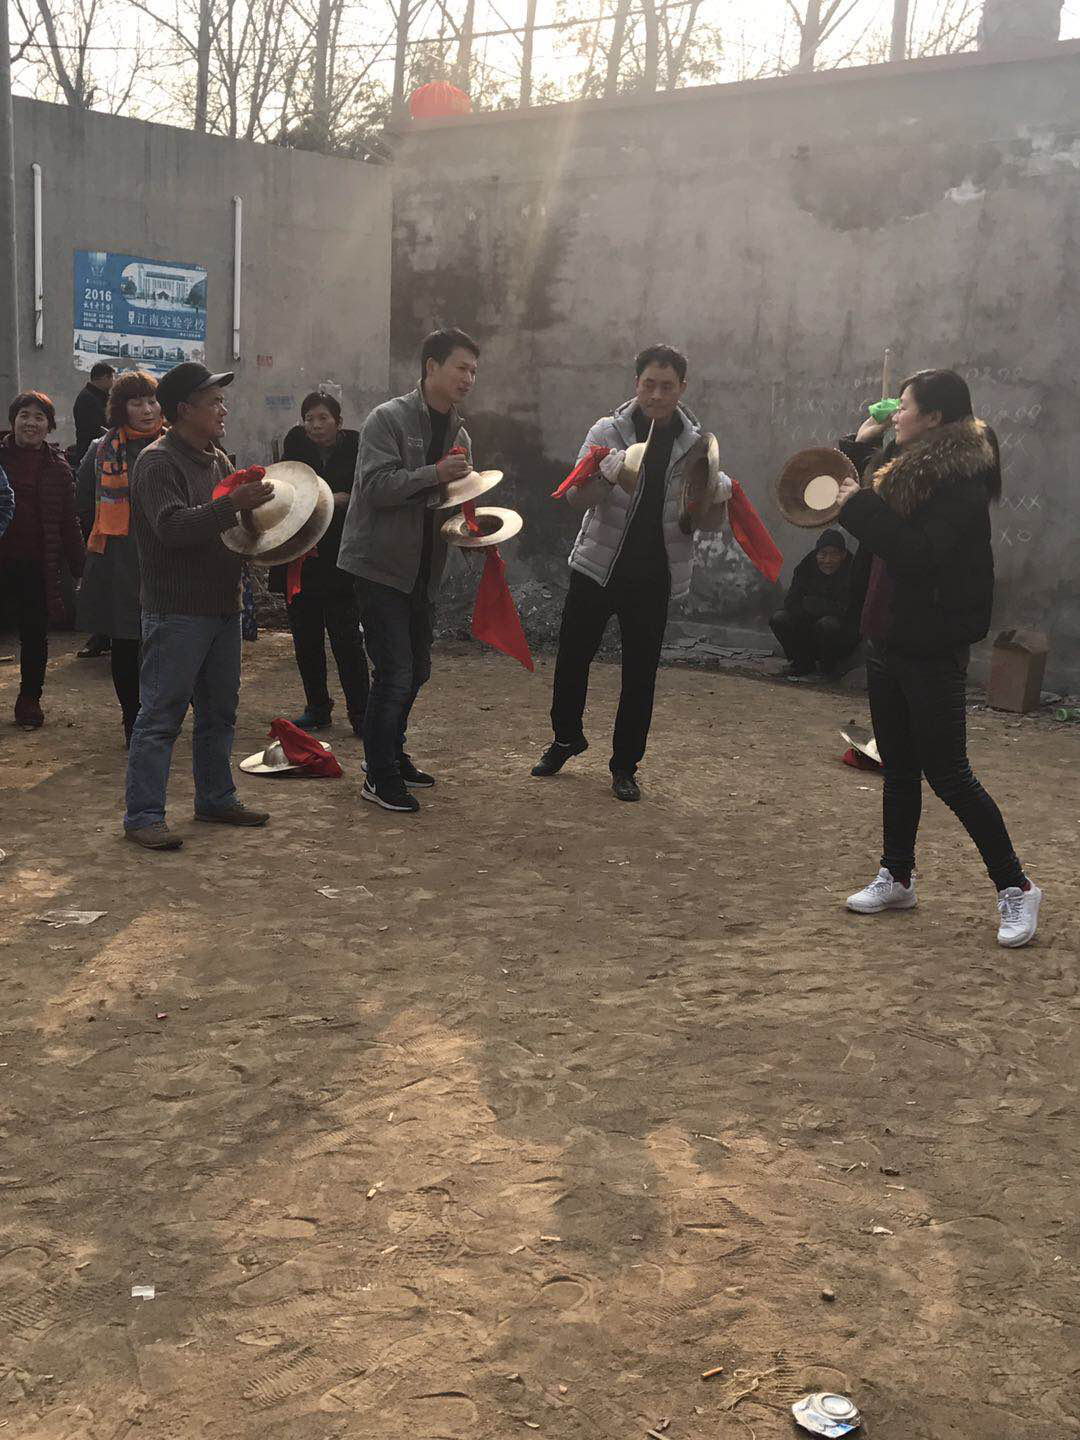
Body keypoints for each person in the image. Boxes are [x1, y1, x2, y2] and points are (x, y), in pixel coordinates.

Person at [835, 368, 1042, 948]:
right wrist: (860, 442)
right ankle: (897, 876)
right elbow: (863, 487)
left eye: (904, 406)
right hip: (888, 635)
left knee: (949, 774)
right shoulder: (906, 465)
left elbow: (916, 552)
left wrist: (859, 507)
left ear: (934, 418)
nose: (895, 413)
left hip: (930, 643)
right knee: (899, 769)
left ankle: (1016, 886)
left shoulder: (959, 481)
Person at [531, 344, 730, 802]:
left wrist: (717, 497)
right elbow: (575, 498)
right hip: (596, 567)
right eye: (649, 385)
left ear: (682, 388)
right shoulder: (607, 430)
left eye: (667, 387)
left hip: (654, 575)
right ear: (636, 383)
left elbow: (706, 522)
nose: (656, 395)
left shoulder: (697, 446)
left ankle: (625, 766)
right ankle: (566, 738)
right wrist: (604, 476)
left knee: (640, 675)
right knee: (572, 659)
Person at [123, 362, 275, 851]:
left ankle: (216, 797)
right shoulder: (157, 462)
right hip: (177, 611)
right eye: (214, 402)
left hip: (221, 606)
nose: (223, 410)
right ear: (185, 410)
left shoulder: (217, 459)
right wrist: (233, 505)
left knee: (219, 712)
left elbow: (232, 528)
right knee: (160, 716)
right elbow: (172, 528)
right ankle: (143, 815)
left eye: (221, 401)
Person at [337, 327, 478, 814]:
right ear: (431, 366)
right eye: (460, 367)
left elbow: (455, 500)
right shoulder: (387, 419)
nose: (468, 378)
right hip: (378, 564)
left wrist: (476, 531)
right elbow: (375, 487)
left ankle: (389, 754)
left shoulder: (459, 433)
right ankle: (378, 776)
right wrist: (434, 473)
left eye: (473, 371)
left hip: (423, 568)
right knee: (395, 671)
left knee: (417, 670)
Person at [272, 391, 368, 734]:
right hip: (300, 557)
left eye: (323, 418)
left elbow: (367, 490)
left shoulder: (356, 446)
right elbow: (287, 489)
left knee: (347, 639)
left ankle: (361, 713)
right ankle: (317, 707)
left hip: (342, 557)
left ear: (338, 422)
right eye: (309, 418)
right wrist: (327, 499)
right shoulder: (295, 445)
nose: (315, 425)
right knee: (306, 638)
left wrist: (343, 500)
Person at [76, 370, 164, 746]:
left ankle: (164, 716)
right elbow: (83, 502)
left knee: (168, 641)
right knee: (126, 643)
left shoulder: (174, 445)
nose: (147, 410)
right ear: (120, 408)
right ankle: (133, 721)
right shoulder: (102, 450)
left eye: (152, 401)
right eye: (136, 402)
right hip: (120, 562)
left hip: (167, 558)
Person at [0, 391, 85, 729]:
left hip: (37, 564)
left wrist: (81, 567)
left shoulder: (58, 468)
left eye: (39, 417)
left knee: (34, 634)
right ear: (13, 421)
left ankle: (29, 700)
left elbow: (69, 522)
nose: (30, 423)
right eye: (24, 415)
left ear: (49, 426)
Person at [769, 527, 860, 678]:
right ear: (816, 554)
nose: (828, 560)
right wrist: (810, 610)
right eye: (823, 554)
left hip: (839, 635)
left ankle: (828, 669)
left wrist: (814, 605)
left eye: (834, 554)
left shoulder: (853, 571)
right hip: (808, 628)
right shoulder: (806, 567)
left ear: (843, 555)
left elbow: (848, 610)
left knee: (828, 624)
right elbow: (791, 601)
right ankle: (802, 664)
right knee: (779, 618)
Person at [73, 362, 115, 661]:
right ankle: (101, 635)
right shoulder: (99, 446)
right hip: (106, 527)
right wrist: (95, 525)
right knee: (103, 578)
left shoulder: (155, 448)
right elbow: (84, 496)